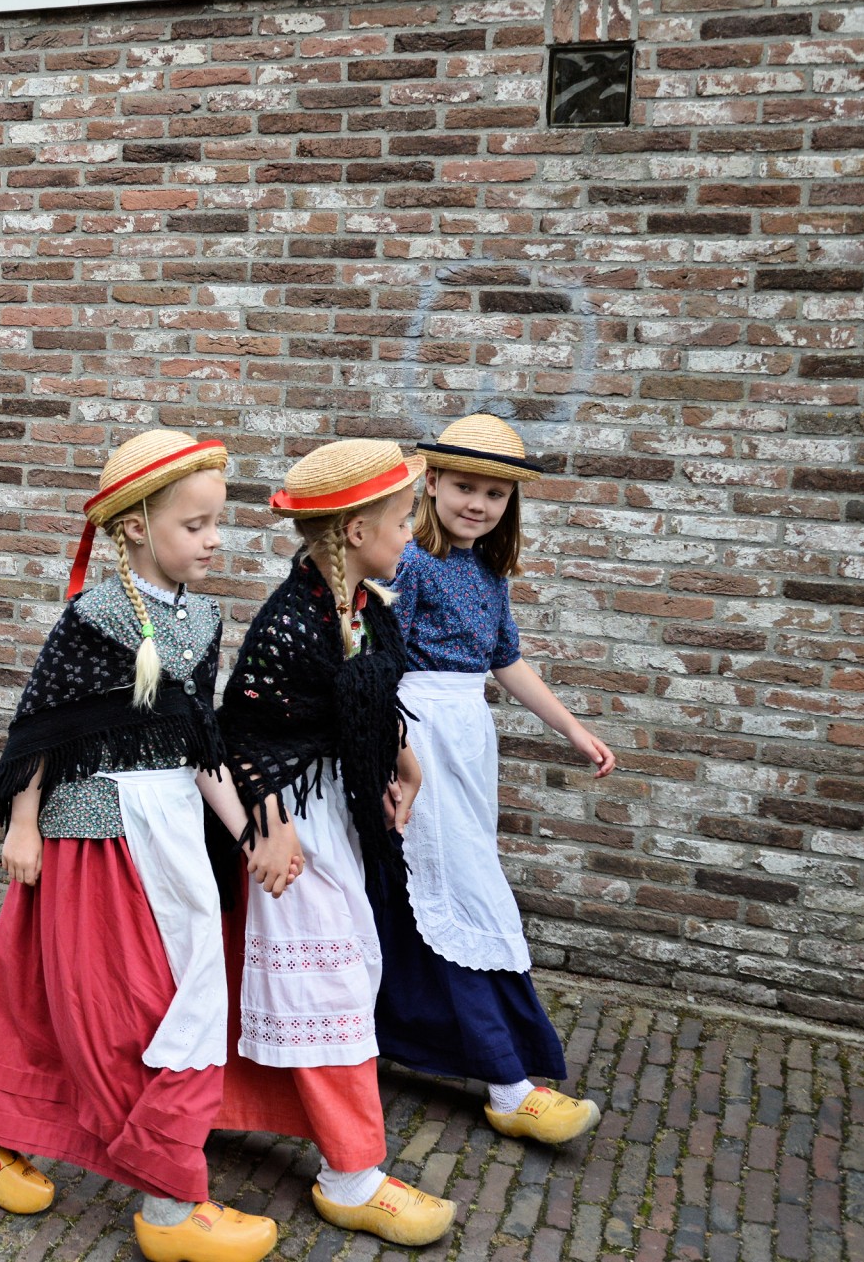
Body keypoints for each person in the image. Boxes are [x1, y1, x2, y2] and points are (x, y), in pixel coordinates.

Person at [0, 431, 291, 1262]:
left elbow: (194, 737)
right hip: (93, 833)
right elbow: (42, 722)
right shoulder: (93, 615)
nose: (213, 541)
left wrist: (246, 834)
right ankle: (169, 1201)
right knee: (121, 1007)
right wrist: (23, 823)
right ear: (135, 526)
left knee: (68, 995)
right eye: (196, 525)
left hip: (172, 832)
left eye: (217, 524)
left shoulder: (205, 617)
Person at [212, 438, 457, 1247]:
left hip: (334, 817)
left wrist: (406, 762)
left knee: (321, 976)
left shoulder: (361, 608)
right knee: (331, 989)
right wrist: (268, 831)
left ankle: (208, 1108)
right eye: (400, 521)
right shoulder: (290, 622)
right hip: (292, 826)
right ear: (354, 531)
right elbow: (238, 734)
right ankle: (352, 1173)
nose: (410, 536)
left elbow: (372, 704)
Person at [374, 413, 613, 1143]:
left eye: (495, 494)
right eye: (464, 487)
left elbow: (504, 659)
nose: (478, 504)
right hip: (419, 732)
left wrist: (571, 726)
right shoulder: (409, 560)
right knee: (451, 884)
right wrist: (392, 753)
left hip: (469, 737)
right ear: (432, 482)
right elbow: (378, 661)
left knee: (443, 880)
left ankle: (410, 1038)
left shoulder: (488, 570)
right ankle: (508, 1080)